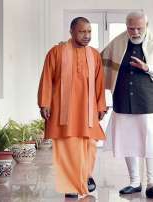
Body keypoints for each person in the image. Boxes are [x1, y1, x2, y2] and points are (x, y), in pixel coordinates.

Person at [101, 11, 153, 198]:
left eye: (139, 28)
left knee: (151, 140)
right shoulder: (117, 43)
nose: (134, 31)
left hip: (149, 101)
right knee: (127, 141)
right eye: (131, 28)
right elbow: (97, 61)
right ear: (127, 26)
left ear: (146, 26)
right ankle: (134, 182)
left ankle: (152, 183)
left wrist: (148, 68)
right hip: (123, 101)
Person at [38, 17, 107, 199]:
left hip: (88, 110)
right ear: (71, 32)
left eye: (89, 32)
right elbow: (46, 78)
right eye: (82, 31)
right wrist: (44, 102)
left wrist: (101, 105)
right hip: (63, 111)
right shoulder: (56, 52)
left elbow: (99, 83)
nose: (87, 36)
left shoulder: (94, 55)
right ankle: (71, 184)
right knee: (68, 147)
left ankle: (85, 176)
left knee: (90, 145)